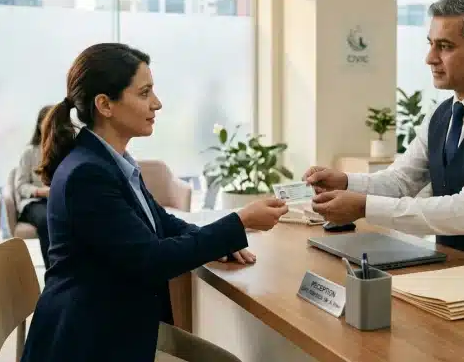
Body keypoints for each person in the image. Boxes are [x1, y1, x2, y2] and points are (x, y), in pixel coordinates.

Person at [20, 43, 288, 362]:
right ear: (105, 104)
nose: (157, 104)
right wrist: (239, 222)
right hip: (90, 341)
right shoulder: (88, 174)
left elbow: (161, 223)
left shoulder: (109, 160)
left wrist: (224, 240)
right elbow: (151, 259)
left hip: (113, 325)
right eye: (144, 93)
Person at [304, 0, 464, 277]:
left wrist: (364, 206)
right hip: (452, 270)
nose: (430, 58)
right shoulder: (444, 113)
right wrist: (346, 182)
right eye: (430, 44)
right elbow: (401, 181)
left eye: (445, 47)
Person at [14, 104, 53, 269]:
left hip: (56, 200)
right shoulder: (29, 152)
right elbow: (20, 186)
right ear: (40, 125)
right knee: (47, 220)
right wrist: (41, 192)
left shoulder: (65, 150)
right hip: (34, 203)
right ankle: (53, 272)